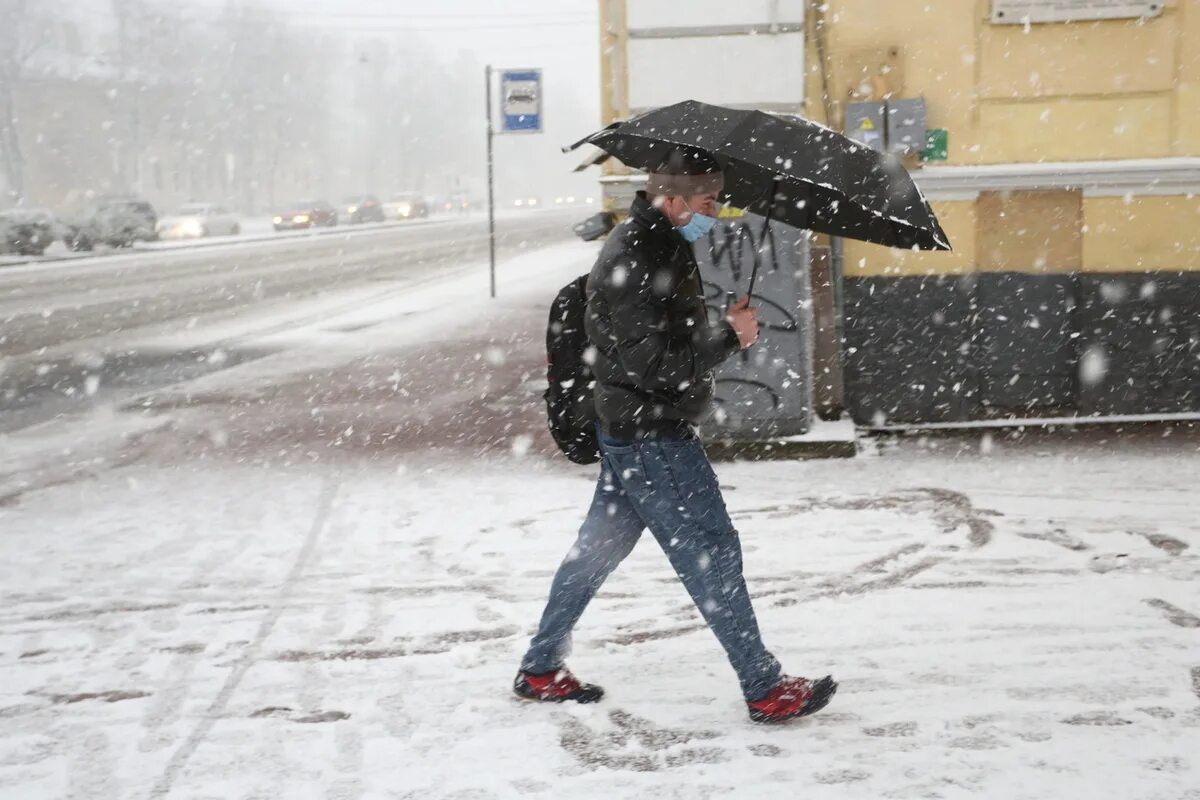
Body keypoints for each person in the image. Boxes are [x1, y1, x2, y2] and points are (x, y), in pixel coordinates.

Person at [514, 150, 836, 723]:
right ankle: (764, 687)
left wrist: (720, 327)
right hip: (650, 434)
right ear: (674, 197)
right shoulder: (638, 253)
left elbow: (656, 344)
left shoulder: (654, 244)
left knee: (596, 551)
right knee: (712, 552)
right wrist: (729, 339)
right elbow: (651, 365)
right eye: (709, 201)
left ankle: (541, 667)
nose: (716, 212)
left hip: (631, 427)